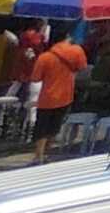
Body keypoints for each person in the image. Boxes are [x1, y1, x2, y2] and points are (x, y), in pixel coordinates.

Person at [28, 25, 89, 156]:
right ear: (67, 37)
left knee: (42, 126)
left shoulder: (45, 57)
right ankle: (48, 152)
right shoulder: (77, 51)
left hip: (47, 97)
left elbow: (35, 78)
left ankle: (38, 154)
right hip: (66, 96)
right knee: (54, 126)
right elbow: (83, 68)